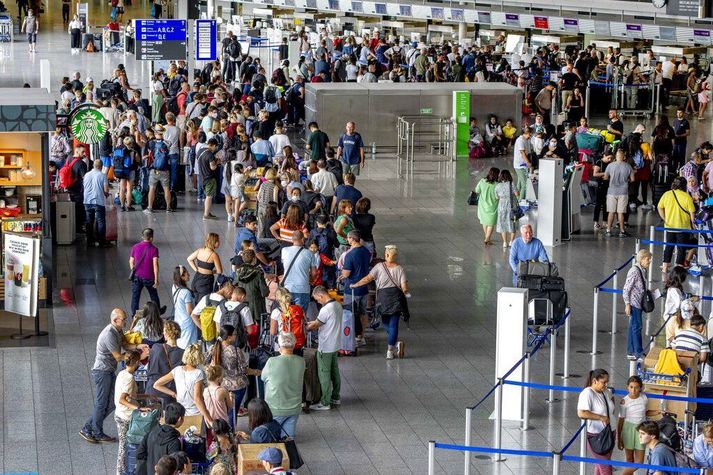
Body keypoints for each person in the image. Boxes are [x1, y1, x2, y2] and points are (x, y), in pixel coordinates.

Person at [80, 308, 148, 444]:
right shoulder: (109, 334)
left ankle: (88, 427)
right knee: (101, 403)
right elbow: (118, 357)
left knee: (112, 403)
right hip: (102, 372)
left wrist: (138, 346)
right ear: (115, 320)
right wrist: (137, 358)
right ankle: (96, 432)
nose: (125, 322)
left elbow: (124, 344)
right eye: (124, 320)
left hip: (109, 371)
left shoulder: (117, 330)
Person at [350, 245, 408, 359]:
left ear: (386, 255)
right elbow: (404, 286)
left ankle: (394, 345)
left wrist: (355, 285)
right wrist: (405, 291)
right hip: (396, 298)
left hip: (383, 299)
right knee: (394, 324)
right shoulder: (400, 269)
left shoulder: (379, 267)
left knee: (386, 322)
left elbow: (367, 279)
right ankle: (391, 350)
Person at [153, 343, 213, 429]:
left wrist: (173, 394)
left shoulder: (177, 370)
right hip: (195, 412)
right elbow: (197, 399)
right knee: (198, 438)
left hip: (181, 412)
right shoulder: (198, 373)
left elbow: (157, 385)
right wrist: (209, 419)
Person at [260, 332, 305, 437]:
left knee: (271, 437)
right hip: (294, 407)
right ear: (294, 345)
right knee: (288, 438)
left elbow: (263, 377)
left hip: (275, 407)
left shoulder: (272, 361)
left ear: (279, 346)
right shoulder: (301, 361)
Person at [307, 286, 343, 411]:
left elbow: (315, 325)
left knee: (324, 374)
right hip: (335, 344)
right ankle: (335, 397)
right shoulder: (337, 305)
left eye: (317, 299)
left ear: (321, 296)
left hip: (325, 346)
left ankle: (325, 402)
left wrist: (304, 326)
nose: (317, 301)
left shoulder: (325, 309)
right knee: (334, 372)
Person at [211, 325, 253, 428]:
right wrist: (256, 371)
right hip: (236, 386)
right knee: (233, 411)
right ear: (229, 337)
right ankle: (231, 433)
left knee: (222, 411)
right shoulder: (235, 350)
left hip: (220, 385)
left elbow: (207, 364)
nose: (236, 336)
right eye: (234, 334)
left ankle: (223, 431)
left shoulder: (214, 347)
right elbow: (244, 369)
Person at [577, 369, 617, 475]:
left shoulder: (606, 392)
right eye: (604, 382)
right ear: (594, 381)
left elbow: (612, 403)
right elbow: (581, 413)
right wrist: (600, 417)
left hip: (610, 432)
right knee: (606, 469)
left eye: (607, 382)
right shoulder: (587, 393)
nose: (606, 384)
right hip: (597, 436)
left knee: (600, 466)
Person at [114, 350, 148, 475]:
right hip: (126, 417)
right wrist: (138, 408)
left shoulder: (122, 373)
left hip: (119, 414)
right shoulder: (129, 379)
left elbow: (131, 396)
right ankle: (120, 471)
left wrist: (147, 395)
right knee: (124, 446)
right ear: (137, 362)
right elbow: (122, 399)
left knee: (124, 445)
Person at [658, 177, 696, 273]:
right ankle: (679, 268)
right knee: (681, 248)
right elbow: (692, 214)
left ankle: (665, 266)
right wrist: (693, 225)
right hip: (683, 227)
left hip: (670, 226)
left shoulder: (667, 194)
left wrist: (665, 219)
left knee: (669, 246)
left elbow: (659, 207)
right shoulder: (686, 196)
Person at [341, 229, 372, 346]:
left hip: (352, 289)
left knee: (350, 313)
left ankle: (351, 336)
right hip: (364, 288)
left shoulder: (350, 255)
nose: (347, 240)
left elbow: (346, 274)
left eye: (348, 238)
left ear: (352, 239)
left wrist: (342, 274)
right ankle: (361, 336)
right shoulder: (366, 251)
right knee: (363, 312)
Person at [136, 402, 185, 475]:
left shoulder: (152, 432)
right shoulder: (174, 441)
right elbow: (175, 466)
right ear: (179, 419)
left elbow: (140, 453)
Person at [145, 320, 184, 406]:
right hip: (169, 393)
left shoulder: (156, 348)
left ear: (166, 333)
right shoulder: (183, 354)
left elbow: (150, 367)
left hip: (152, 391)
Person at [623, 249, 652, 360]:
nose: (649, 262)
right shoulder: (635, 271)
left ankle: (631, 351)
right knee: (637, 327)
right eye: (648, 259)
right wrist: (627, 304)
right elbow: (626, 289)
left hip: (637, 302)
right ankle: (638, 352)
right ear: (642, 259)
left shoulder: (641, 270)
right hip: (634, 303)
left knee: (633, 327)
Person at [280, 231, 318, 313]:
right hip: (303, 288)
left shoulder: (284, 250)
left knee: (286, 315)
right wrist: (310, 280)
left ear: (292, 239)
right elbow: (314, 273)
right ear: (302, 239)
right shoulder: (309, 254)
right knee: (300, 316)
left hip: (287, 288)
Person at [129, 228, 164, 317]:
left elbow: (131, 261)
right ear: (151, 238)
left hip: (137, 276)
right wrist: (156, 279)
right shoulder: (154, 249)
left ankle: (134, 314)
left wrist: (133, 270)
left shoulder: (135, 247)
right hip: (149, 277)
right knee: (153, 295)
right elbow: (155, 265)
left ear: (142, 237)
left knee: (135, 296)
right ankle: (157, 312)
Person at [617, 376, 647, 475]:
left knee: (639, 462)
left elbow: (646, 413)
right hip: (628, 429)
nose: (633, 390)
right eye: (631, 387)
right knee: (629, 459)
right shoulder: (624, 401)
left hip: (641, 430)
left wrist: (658, 412)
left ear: (641, 388)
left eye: (636, 387)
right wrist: (619, 438)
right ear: (627, 387)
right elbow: (621, 420)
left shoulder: (644, 398)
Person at [604, 149, 635, 237]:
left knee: (611, 212)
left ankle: (608, 230)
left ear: (616, 157)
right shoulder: (628, 166)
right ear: (624, 157)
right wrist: (626, 180)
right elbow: (633, 179)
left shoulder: (610, 166)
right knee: (621, 212)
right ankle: (622, 231)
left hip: (611, 192)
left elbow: (605, 177)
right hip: (623, 192)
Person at [187, 233, 224, 304]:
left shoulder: (199, 250)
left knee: (196, 303)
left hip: (196, 279)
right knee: (203, 304)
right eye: (218, 241)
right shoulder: (214, 255)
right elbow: (219, 271)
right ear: (214, 242)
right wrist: (211, 272)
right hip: (206, 282)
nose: (219, 242)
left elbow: (189, 259)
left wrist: (196, 269)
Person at [83, 159, 111, 248]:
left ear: (93, 166)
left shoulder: (86, 175)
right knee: (100, 221)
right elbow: (106, 190)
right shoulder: (103, 175)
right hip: (98, 201)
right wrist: (106, 194)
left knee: (89, 221)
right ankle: (101, 242)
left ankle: (89, 241)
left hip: (87, 201)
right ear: (101, 167)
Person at [171, 265, 197, 349]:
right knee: (190, 346)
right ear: (181, 276)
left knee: (180, 342)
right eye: (186, 273)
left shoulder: (174, 286)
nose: (189, 274)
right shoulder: (186, 292)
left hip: (178, 319)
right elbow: (189, 311)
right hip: (187, 323)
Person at [475, 167, 500, 245]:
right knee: (491, 223)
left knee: (484, 221)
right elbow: (498, 197)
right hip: (493, 206)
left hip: (482, 205)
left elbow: (477, 190)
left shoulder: (482, 181)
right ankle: (487, 238)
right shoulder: (497, 185)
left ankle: (487, 237)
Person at [494, 170, 518, 248]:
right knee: (512, 224)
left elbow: (496, 197)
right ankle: (511, 241)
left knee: (503, 224)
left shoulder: (498, 186)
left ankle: (505, 242)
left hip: (501, 207)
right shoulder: (511, 184)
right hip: (511, 207)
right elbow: (517, 194)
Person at [198, 138, 220, 220]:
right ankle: (206, 214)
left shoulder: (201, 151)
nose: (215, 148)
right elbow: (213, 167)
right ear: (213, 145)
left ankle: (207, 212)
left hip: (201, 177)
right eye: (216, 147)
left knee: (207, 195)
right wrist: (217, 163)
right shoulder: (210, 154)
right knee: (209, 196)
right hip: (209, 177)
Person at [513, 127, 532, 200]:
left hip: (523, 165)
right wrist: (528, 162)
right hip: (520, 165)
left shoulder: (526, 140)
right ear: (528, 133)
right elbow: (522, 152)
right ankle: (521, 202)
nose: (531, 135)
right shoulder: (520, 140)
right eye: (531, 133)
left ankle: (517, 199)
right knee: (525, 185)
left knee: (520, 183)